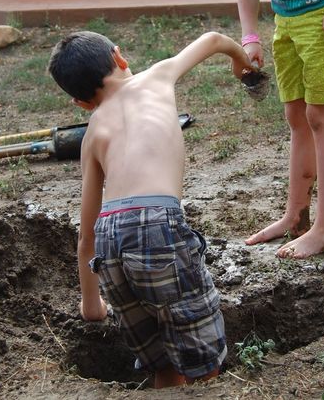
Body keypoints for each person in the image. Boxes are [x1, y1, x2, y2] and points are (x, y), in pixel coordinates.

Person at [48, 31, 253, 388]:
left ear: (81, 103)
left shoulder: (93, 131)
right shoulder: (157, 76)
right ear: (120, 56)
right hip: (158, 225)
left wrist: (91, 302)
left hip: (109, 239)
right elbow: (214, 39)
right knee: (200, 352)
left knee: (162, 364)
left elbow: (86, 233)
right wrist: (241, 61)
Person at [237, 0, 324, 259]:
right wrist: (250, 37)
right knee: (296, 116)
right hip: (285, 24)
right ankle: (296, 217)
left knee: (319, 116)